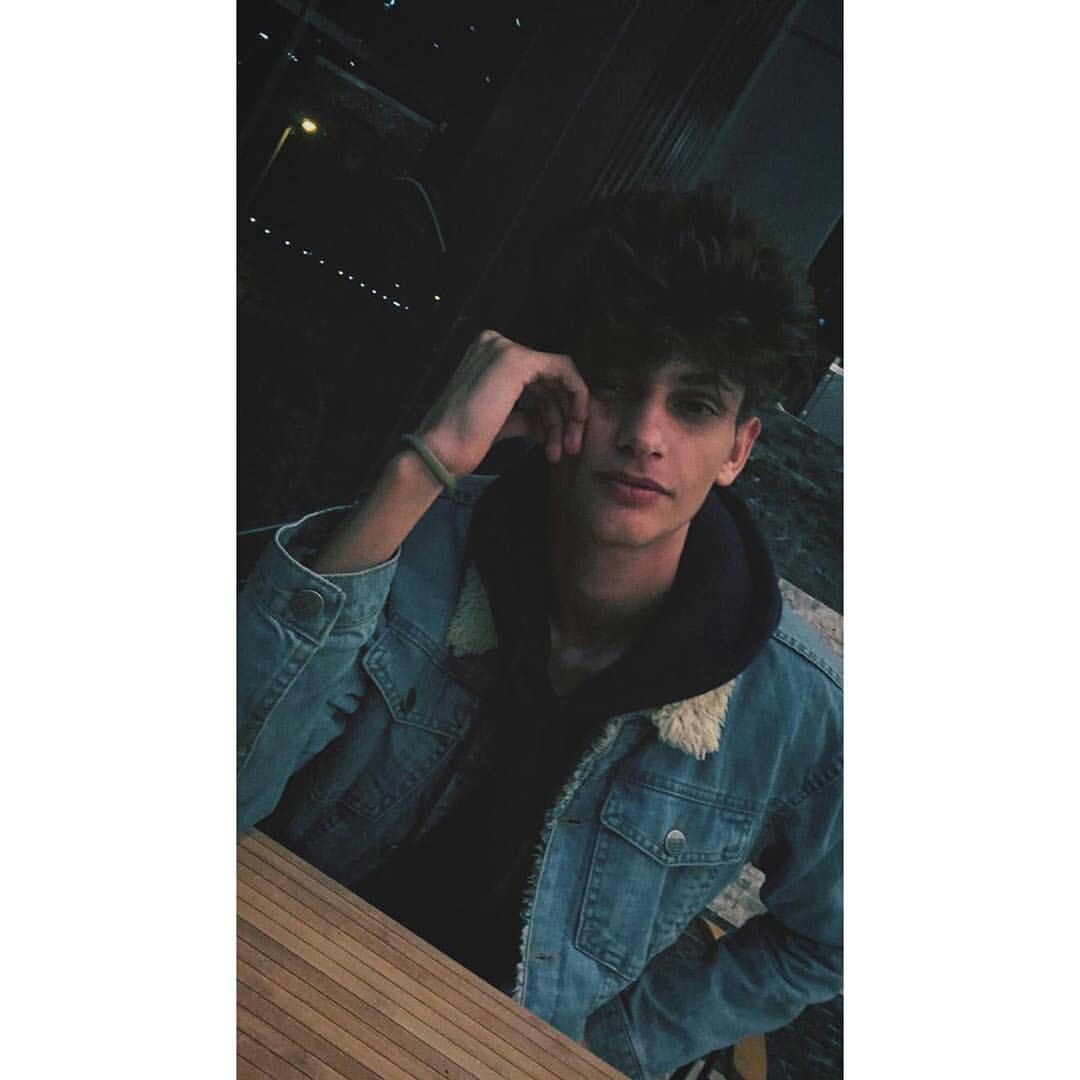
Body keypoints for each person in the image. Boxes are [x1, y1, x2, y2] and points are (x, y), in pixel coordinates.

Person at [237, 187, 842, 1079]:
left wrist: (607, 1048)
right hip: (279, 981)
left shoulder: (793, 708)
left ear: (738, 449)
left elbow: (830, 940)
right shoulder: (412, 543)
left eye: (694, 406)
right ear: (556, 391)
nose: (645, 436)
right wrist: (423, 466)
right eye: (616, 387)